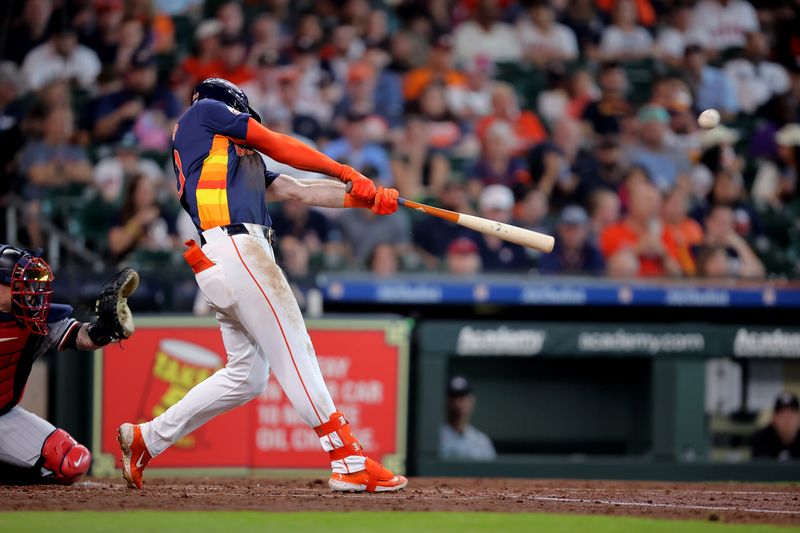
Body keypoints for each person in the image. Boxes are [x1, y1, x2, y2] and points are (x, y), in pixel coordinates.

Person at [117, 78, 407, 493]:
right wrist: (346, 170)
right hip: (238, 250)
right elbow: (274, 142)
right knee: (295, 347)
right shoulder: (204, 112)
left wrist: (366, 198)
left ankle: (149, 438)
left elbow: (297, 189)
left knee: (248, 376)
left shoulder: (228, 160)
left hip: (225, 259)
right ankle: (347, 457)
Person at [0, 245, 137, 484]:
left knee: (72, 461)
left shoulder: (32, 317)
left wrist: (104, 328)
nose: (30, 291)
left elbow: (80, 336)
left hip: (3, 415)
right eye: (19, 284)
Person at [439, 376, 496, 461]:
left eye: (464, 396)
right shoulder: (436, 438)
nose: (459, 402)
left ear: (472, 401)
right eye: (455, 397)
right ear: (447, 401)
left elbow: (493, 472)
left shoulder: (481, 441)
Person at [539, 205, 605, 275]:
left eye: (576, 229)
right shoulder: (550, 252)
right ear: (560, 229)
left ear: (586, 230)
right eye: (568, 228)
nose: (572, 234)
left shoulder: (593, 254)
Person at [751, 392, 800, 461]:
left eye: (791, 415)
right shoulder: (761, 438)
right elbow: (761, 469)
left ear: (798, 418)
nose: (787, 421)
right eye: (782, 415)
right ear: (773, 418)